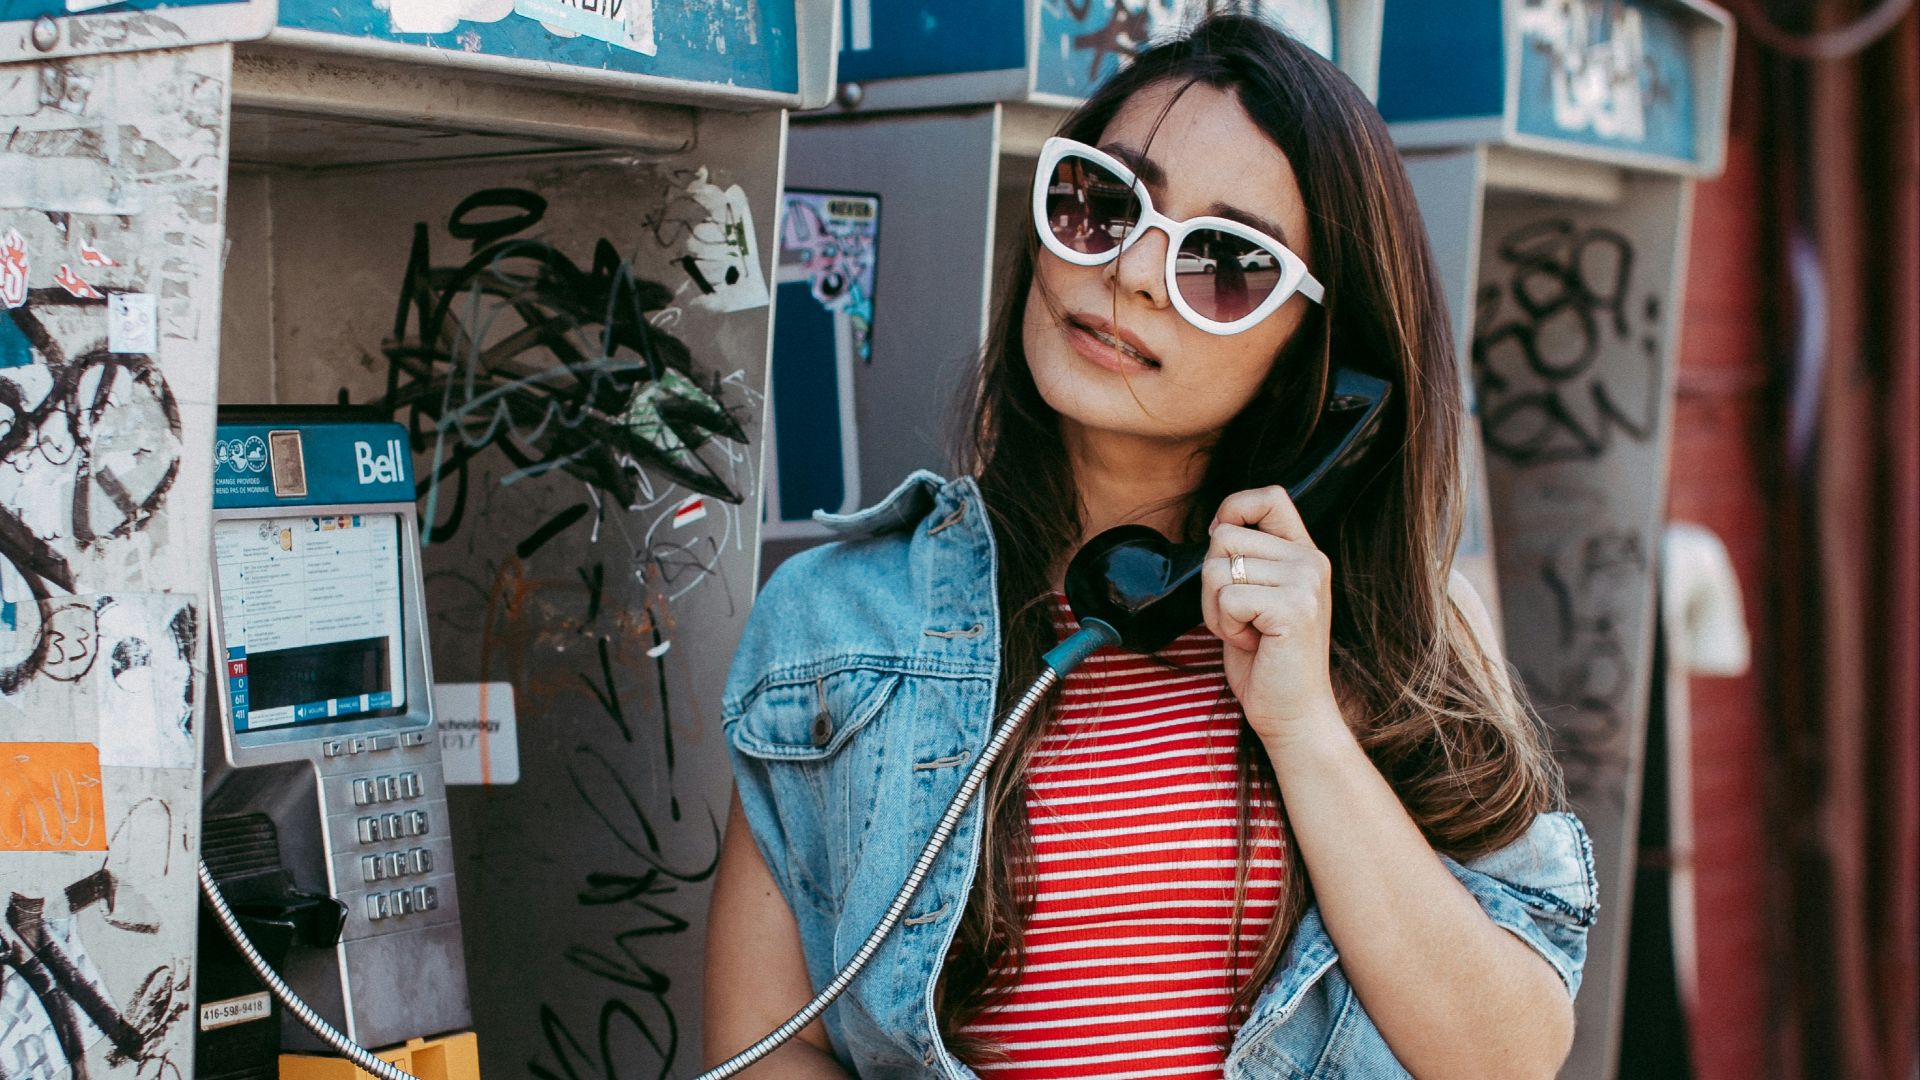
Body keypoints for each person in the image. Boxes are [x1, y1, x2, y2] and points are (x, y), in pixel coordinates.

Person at [704, 15, 1596, 1079]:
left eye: (1224, 262)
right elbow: (764, 1051)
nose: (1130, 272)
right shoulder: (838, 625)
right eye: (1102, 204)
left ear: (1319, 349)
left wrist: (1306, 725)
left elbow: (1509, 1057)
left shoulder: (1407, 635)